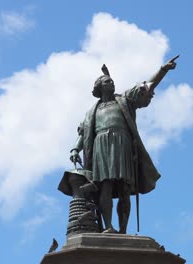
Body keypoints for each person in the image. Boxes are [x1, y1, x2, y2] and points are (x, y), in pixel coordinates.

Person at [69, 56, 178, 234]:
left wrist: (162, 70)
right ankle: (108, 226)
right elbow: (84, 133)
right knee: (105, 185)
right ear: (99, 87)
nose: (111, 84)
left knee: (124, 189)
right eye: (107, 82)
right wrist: (75, 148)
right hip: (101, 146)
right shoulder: (92, 112)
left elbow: (146, 86)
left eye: (112, 81)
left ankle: (123, 229)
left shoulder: (124, 100)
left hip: (122, 144)